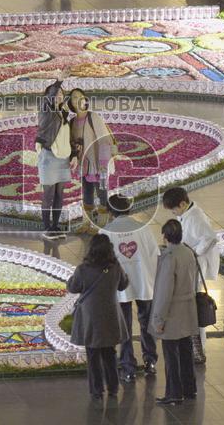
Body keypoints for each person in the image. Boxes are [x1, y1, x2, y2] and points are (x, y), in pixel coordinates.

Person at [101, 194, 159, 381]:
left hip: (120, 286)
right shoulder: (143, 227)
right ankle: (150, 360)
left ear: (110, 211)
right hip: (144, 282)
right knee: (147, 322)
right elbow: (155, 254)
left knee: (124, 326)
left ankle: (128, 368)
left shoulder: (106, 232)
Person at [67, 234, 129, 401]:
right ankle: (113, 388)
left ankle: (97, 390)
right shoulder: (114, 267)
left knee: (93, 354)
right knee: (110, 353)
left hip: (90, 318)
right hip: (110, 315)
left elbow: (72, 287)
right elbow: (123, 285)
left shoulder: (83, 269)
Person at [162, 187, 218, 365]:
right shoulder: (188, 213)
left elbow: (210, 238)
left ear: (182, 204)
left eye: (174, 209)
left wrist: (194, 252)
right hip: (190, 263)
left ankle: (198, 348)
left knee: (193, 307)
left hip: (196, 265)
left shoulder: (195, 217)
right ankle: (194, 346)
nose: (173, 213)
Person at [150, 220, 199, 406]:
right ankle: (189, 388)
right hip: (188, 308)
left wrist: (158, 319)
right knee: (186, 350)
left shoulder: (169, 258)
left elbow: (164, 292)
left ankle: (174, 393)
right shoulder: (188, 252)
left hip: (173, 313)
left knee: (171, 355)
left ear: (165, 236)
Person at [68, 88, 114, 235]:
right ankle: (86, 223)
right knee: (86, 194)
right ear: (71, 103)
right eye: (74, 97)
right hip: (84, 165)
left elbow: (105, 141)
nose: (78, 99)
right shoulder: (72, 122)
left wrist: (103, 165)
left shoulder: (93, 117)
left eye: (80, 96)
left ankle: (101, 225)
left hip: (99, 164)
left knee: (102, 194)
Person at [35, 81, 75, 240]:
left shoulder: (63, 113)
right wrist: (59, 80)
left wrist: (73, 155)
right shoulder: (46, 111)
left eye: (61, 93)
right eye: (55, 93)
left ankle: (55, 226)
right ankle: (46, 228)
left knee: (59, 194)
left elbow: (68, 137)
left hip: (63, 158)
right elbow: (49, 99)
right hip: (49, 157)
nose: (59, 95)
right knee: (48, 194)